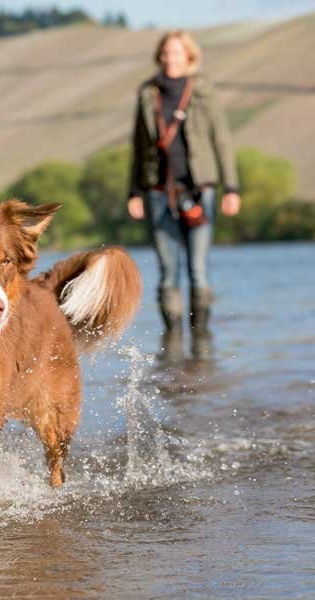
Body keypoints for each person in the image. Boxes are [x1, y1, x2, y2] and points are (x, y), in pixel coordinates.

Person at [127, 30, 240, 359]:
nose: (169, 58)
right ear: (159, 56)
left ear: (189, 56)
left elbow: (222, 139)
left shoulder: (203, 90)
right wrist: (135, 192)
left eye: (176, 53)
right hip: (158, 191)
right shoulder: (147, 92)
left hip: (199, 188)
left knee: (198, 268)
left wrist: (231, 187)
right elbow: (138, 146)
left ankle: (201, 340)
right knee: (166, 270)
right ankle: (172, 342)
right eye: (165, 52)